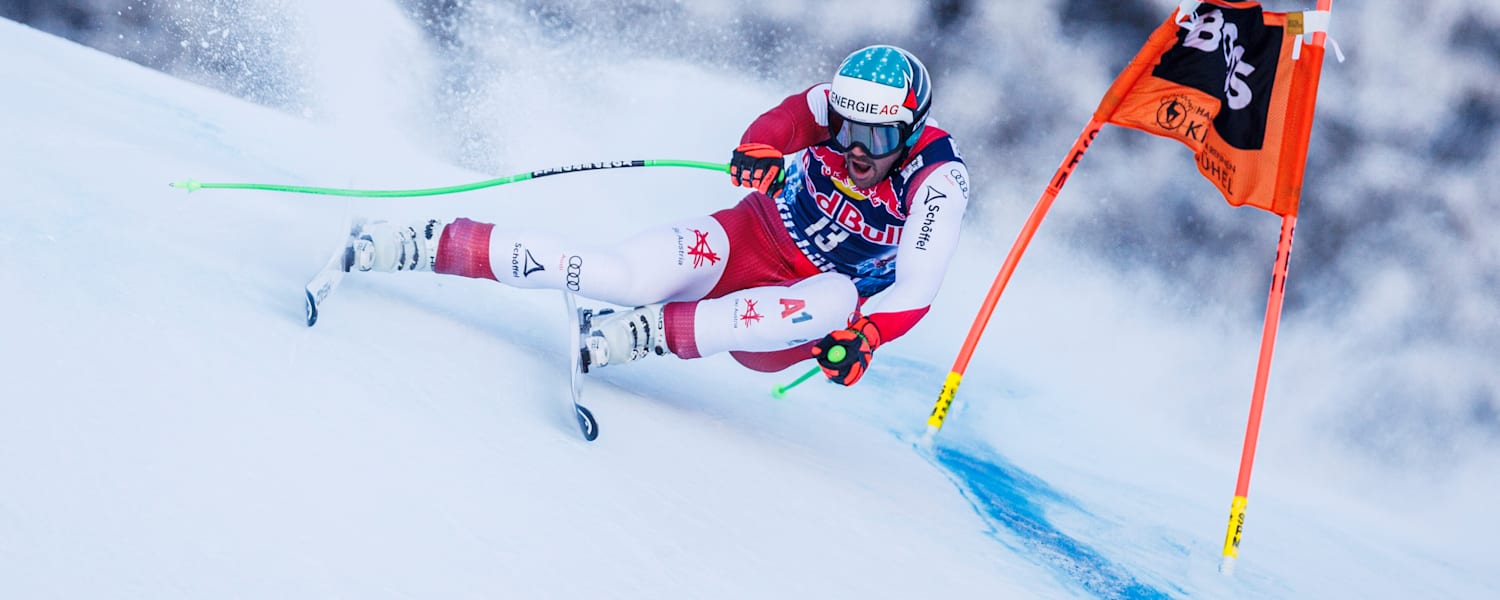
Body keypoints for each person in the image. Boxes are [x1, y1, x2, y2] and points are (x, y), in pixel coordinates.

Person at [351, 44, 971, 386]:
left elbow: (918, 283)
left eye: (878, 137)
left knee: (835, 299)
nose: (858, 148)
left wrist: (868, 337)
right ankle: (429, 243)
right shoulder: (833, 109)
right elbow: (780, 123)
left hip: (793, 318)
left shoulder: (939, 179)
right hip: (747, 238)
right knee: (623, 275)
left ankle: (650, 334)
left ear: (911, 130)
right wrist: (758, 150)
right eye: (847, 127)